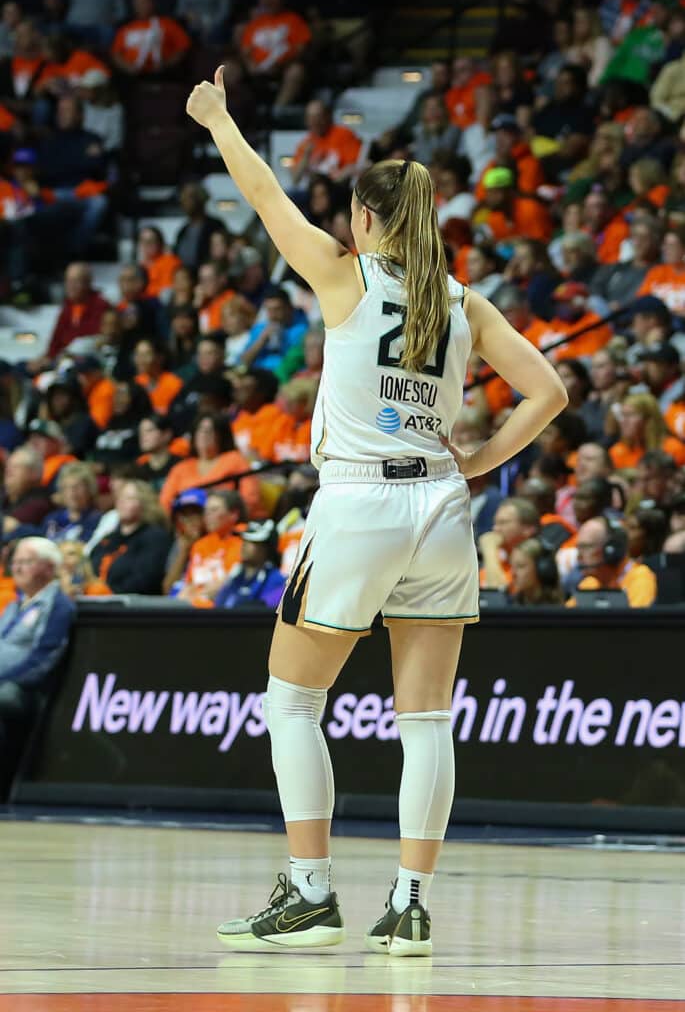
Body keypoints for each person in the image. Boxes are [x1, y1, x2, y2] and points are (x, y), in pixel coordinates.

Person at [186, 67, 566, 954]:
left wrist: (216, 120)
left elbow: (262, 191)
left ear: (362, 219)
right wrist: (475, 462)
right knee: (425, 719)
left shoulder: (344, 275)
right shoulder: (464, 302)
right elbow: (546, 391)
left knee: (291, 703)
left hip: (360, 499)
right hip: (439, 503)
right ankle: (409, 904)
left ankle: (311, 892)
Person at [0, 536, 75, 794]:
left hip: (25, 690)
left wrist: (5, 679)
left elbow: (44, 658)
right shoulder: (14, 605)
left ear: (49, 568)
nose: (17, 568)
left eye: (27, 562)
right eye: (16, 562)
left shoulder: (57, 605)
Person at [159, 413, 261, 517]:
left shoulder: (235, 459)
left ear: (220, 435)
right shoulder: (180, 468)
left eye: (209, 431)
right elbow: (164, 503)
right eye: (200, 430)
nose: (203, 435)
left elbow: (250, 498)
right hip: (189, 525)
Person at [90, 479, 171, 595]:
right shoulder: (108, 539)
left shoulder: (155, 537)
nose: (122, 502)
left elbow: (146, 579)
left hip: (134, 607)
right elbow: (89, 566)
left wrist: (110, 593)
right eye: (120, 497)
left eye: (130, 498)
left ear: (144, 504)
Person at [569, 516, 657, 607]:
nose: (579, 556)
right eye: (578, 548)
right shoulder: (590, 583)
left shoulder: (640, 579)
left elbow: (636, 620)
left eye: (586, 547)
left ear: (611, 550)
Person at [215, 519, 286, 610]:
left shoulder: (276, 580)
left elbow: (263, 610)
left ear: (266, 548)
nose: (244, 545)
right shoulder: (235, 575)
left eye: (252, 541)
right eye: (244, 540)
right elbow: (220, 604)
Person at [41, 461, 101, 543]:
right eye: (66, 487)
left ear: (89, 489)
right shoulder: (51, 519)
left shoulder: (97, 520)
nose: (72, 493)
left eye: (77, 487)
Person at [509, 538, 563, 605]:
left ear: (542, 568)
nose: (513, 573)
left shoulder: (557, 612)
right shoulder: (511, 604)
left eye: (520, 566)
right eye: (512, 566)